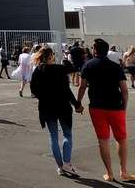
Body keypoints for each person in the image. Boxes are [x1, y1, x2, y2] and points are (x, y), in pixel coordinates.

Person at [77, 38, 132, 182]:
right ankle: (124, 172)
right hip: (116, 107)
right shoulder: (115, 66)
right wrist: (124, 107)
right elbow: (124, 90)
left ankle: (110, 173)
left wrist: (78, 103)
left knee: (103, 140)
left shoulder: (88, 65)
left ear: (95, 50)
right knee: (121, 139)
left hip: (96, 107)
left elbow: (82, 86)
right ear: (106, 50)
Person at [30, 46, 82, 177]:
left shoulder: (38, 70)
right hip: (62, 106)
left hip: (46, 107)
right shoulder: (59, 69)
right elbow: (67, 90)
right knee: (67, 135)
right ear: (50, 56)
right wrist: (76, 105)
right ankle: (67, 163)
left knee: (53, 136)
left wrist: (44, 96)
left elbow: (34, 90)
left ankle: (60, 166)